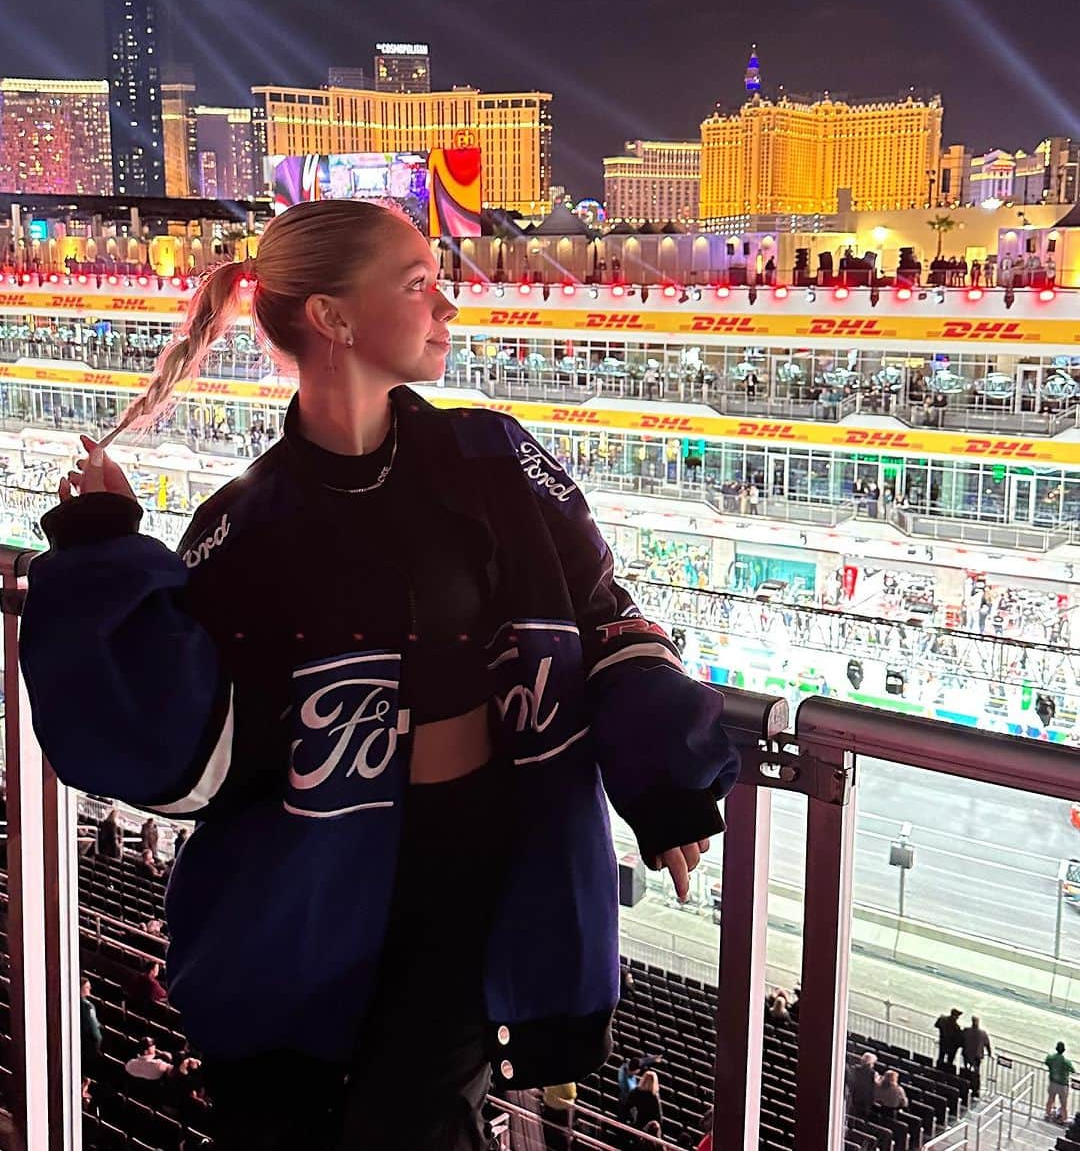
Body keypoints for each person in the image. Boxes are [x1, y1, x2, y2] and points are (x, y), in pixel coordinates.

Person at [20, 200, 739, 1151]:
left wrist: (667, 769)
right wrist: (104, 546)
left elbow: (602, 611)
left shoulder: (494, 458)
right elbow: (169, 753)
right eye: (417, 285)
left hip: (466, 882)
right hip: (295, 911)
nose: (448, 306)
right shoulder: (243, 523)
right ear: (332, 318)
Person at [80, 977, 102, 1106]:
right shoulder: (87, 1006)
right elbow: (95, 1032)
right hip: (89, 1045)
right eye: (87, 987)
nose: (90, 989)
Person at [625, 1070, 662, 1138]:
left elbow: (626, 1107)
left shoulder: (635, 1092)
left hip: (637, 1124)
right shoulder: (654, 1097)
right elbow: (659, 1116)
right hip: (648, 1129)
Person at [961, 1016, 992, 1096]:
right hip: (976, 1056)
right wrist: (990, 1053)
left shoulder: (966, 1030)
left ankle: (966, 1087)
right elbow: (987, 1044)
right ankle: (975, 1090)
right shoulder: (982, 1033)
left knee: (966, 1071)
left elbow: (961, 1040)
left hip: (967, 1054)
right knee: (976, 1073)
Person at [1045, 1041, 1074, 1123]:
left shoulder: (1051, 1058)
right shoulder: (1066, 1062)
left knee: (1050, 1099)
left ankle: (1047, 1114)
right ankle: (1063, 1119)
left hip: (1053, 1082)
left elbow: (1047, 1061)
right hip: (1063, 1084)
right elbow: (1073, 1070)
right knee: (1063, 1103)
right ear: (1064, 1050)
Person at [541, 1081, 576, 1150]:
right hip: (561, 1112)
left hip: (548, 1108)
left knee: (549, 1135)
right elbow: (571, 1098)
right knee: (560, 1139)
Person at [849, 1052, 878, 1116]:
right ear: (871, 1063)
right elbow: (876, 1086)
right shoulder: (873, 1073)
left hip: (856, 1095)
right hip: (866, 1098)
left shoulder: (855, 1069)